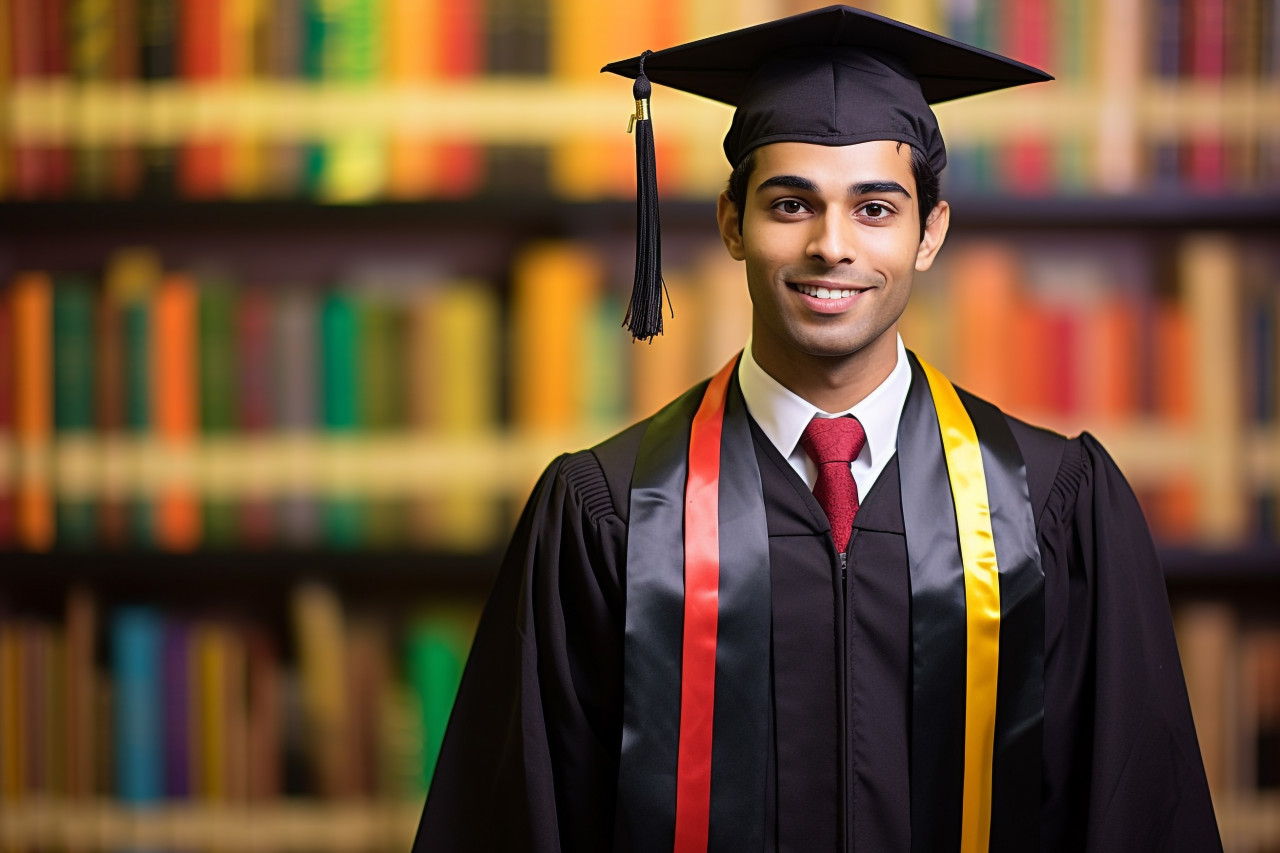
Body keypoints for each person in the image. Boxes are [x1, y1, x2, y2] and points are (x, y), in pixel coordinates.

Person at [413, 7, 1222, 852]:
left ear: (929, 233)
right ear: (731, 222)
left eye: (875, 208)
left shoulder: (1050, 507)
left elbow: (1136, 816)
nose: (832, 246)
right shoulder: (609, 514)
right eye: (791, 204)